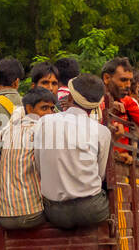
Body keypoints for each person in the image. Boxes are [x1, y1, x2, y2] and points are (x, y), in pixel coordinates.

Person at [37, 74, 112, 229]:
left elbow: (39, 166)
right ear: (95, 105)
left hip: (55, 213)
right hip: (91, 210)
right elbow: (101, 174)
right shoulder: (102, 132)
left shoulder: (44, 122)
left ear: (69, 97)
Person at [0, 85, 57, 229]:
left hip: (2, 215)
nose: (49, 114)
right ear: (29, 109)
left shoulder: (6, 131)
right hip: (31, 214)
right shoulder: (41, 131)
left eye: (52, 109)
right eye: (44, 108)